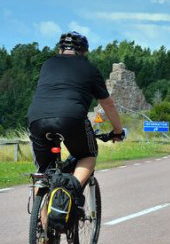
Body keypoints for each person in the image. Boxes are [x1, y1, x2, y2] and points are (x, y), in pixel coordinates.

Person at [27, 31, 124, 211]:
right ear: (84, 51)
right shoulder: (90, 69)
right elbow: (108, 104)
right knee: (88, 155)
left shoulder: (48, 64)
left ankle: (43, 233)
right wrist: (118, 131)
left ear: (60, 49)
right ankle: (67, 194)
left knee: (42, 174)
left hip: (37, 118)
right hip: (71, 118)